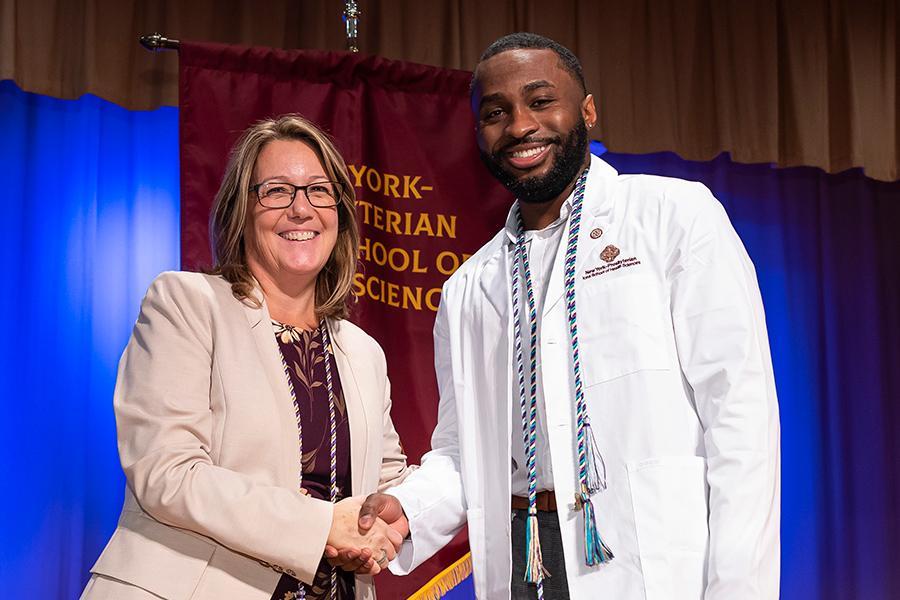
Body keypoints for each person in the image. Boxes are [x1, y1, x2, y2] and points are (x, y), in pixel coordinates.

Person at [349, 33, 781, 599]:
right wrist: (406, 507)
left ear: (588, 110)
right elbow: (463, 452)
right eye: (495, 113)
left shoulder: (672, 217)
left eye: (540, 100)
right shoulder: (467, 288)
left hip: (654, 559)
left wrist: (739, 589)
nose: (520, 126)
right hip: (525, 560)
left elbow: (740, 416)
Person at [81, 114, 409, 600]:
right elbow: (168, 473)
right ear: (242, 208)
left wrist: (397, 512)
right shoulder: (186, 303)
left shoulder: (363, 351)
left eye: (319, 190)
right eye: (277, 191)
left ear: (339, 213)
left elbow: (386, 476)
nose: (302, 209)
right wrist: (320, 525)